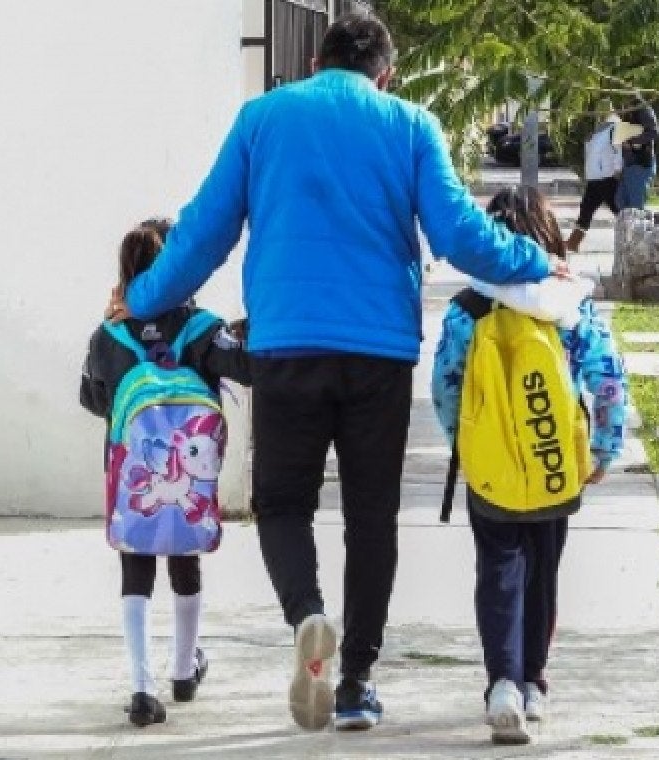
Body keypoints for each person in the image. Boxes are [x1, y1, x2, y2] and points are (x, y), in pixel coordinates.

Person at [108, 12, 560, 732]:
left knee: (283, 503)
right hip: (379, 352)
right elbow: (457, 233)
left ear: (316, 61)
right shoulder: (410, 123)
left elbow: (204, 232)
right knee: (370, 518)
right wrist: (536, 260)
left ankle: (308, 615)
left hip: (286, 346)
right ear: (386, 74)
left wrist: (142, 299)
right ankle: (355, 684)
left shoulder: (262, 118)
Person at [431, 186, 628, 745]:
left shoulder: (470, 307)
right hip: (554, 460)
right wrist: (604, 449)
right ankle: (535, 682)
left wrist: (464, 443)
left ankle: (502, 685)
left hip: (492, 463)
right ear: (548, 236)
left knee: (498, 567)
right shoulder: (570, 304)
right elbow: (608, 378)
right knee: (543, 567)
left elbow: (446, 384)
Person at [80, 219, 252, 727]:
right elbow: (245, 367)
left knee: (136, 571)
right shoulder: (198, 328)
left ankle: (141, 687)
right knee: (185, 560)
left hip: (135, 480)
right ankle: (183, 669)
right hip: (189, 485)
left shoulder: (108, 335)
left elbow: (92, 399)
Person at [567, 103, 623, 253]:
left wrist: (617, 169)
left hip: (606, 175)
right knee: (586, 208)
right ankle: (574, 242)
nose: (599, 112)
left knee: (617, 209)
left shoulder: (615, 126)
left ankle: (633, 237)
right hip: (595, 176)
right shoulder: (600, 127)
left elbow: (617, 148)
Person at [615, 98, 659, 210]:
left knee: (635, 207)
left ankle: (637, 226)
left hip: (640, 165)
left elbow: (654, 132)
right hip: (629, 166)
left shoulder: (643, 109)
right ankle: (628, 227)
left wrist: (631, 142)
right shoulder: (630, 110)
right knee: (620, 201)